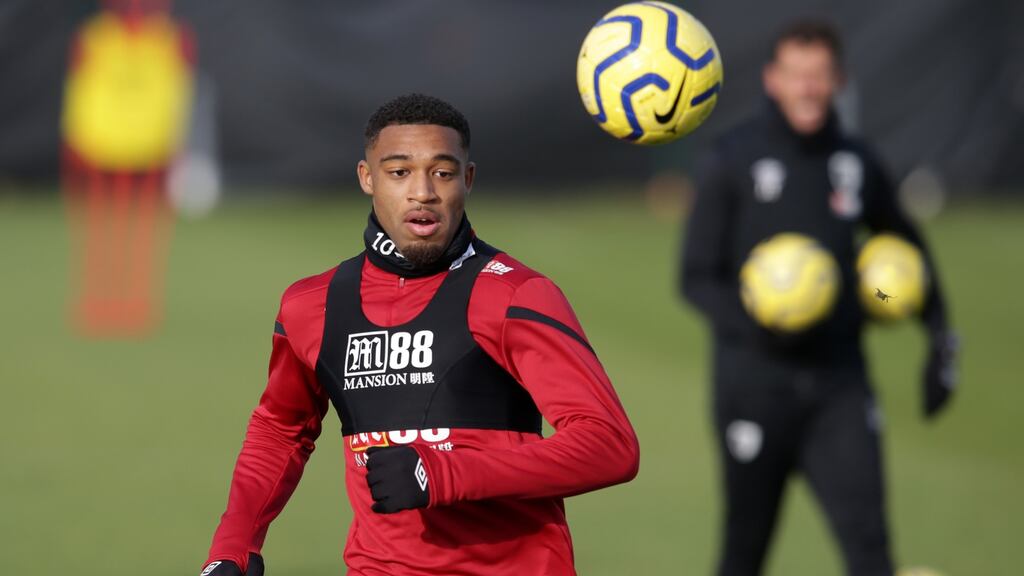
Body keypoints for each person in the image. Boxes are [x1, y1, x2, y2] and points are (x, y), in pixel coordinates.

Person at [200, 93, 640, 576]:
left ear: (467, 180)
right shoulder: (312, 305)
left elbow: (609, 446)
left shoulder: (516, 294)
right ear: (367, 178)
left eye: (443, 172)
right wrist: (232, 547)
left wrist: (445, 473)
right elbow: (280, 430)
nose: (423, 192)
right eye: (399, 172)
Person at [680, 21, 958, 576]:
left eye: (819, 76)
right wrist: (761, 326)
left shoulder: (855, 161)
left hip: (839, 388)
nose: (808, 88)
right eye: (796, 76)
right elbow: (696, 278)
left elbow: (905, 250)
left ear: (838, 81)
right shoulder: (731, 159)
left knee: (870, 550)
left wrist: (938, 339)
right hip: (754, 390)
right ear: (773, 81)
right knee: (744, 554)